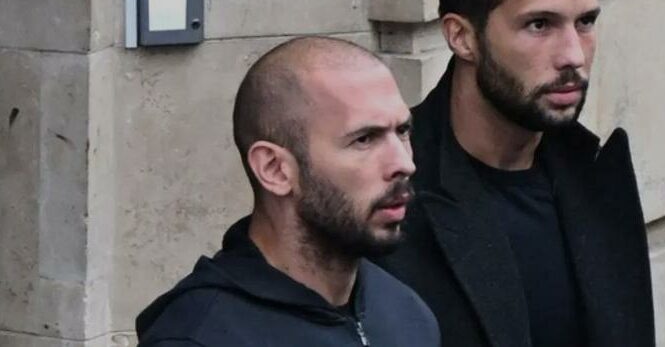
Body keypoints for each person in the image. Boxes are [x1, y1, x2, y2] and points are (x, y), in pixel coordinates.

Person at [373, 0, 655, 346]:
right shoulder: (388, 194)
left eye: (585, 22)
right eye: (539, 25)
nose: (573, 55)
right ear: (462, 37)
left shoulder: (596, 174)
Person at [136, 37, 440, 347]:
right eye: (364, 139)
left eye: (402, 131)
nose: (404, 163)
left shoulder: (404, 312)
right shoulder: (199, 336)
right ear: (275, 169)